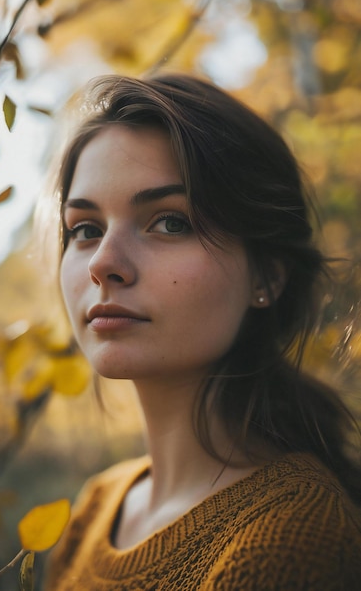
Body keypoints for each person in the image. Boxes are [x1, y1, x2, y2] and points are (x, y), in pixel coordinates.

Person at [44, 73, 361, 591]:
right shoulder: (94, 510)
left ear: (266, 276)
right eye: (85, 229)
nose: (102, 263)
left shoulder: (288, 541)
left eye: (170, 222)